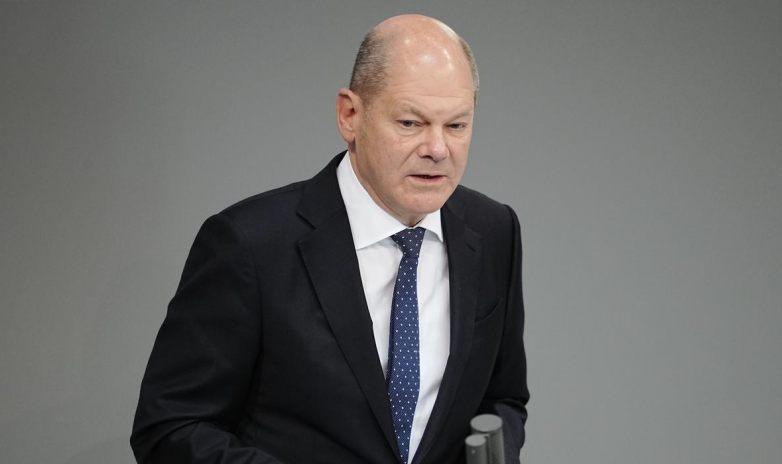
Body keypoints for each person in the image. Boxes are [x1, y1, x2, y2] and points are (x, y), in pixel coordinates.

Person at [131, 14, 528, 464]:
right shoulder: (250, 244)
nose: (437, 149)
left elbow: (503, 399)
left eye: (456, 125)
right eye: (410, 123)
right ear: (350, 115)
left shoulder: (494, 231)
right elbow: (170, 428)